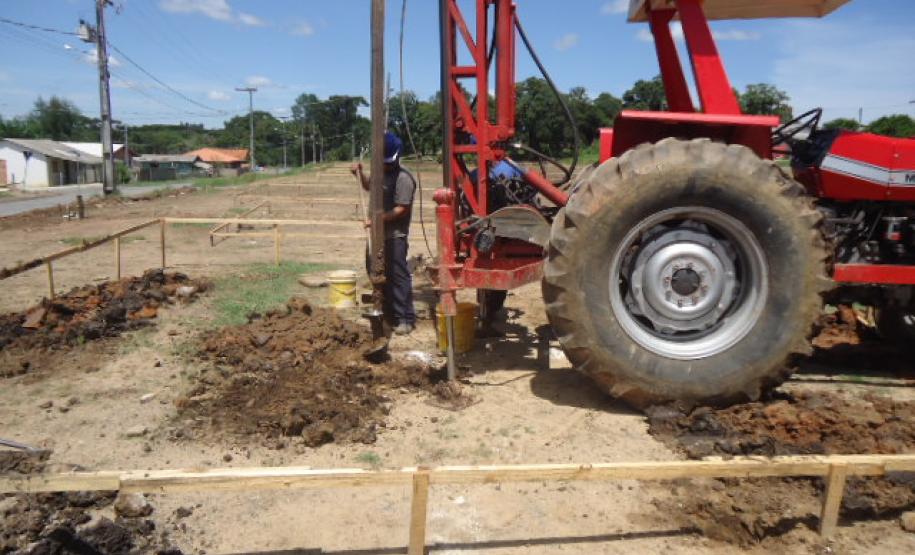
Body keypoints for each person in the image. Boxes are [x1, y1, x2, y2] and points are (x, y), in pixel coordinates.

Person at [352, 132, 417, 335]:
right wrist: (359, 175)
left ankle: (405, 318)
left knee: (398, 276)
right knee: (379, 275)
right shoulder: (381, 172)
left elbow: (401, 209)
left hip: (395, 235)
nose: (385, 165)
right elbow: (368, 186)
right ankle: (388, 314)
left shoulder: (404, 178)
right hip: (378, 234)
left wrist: (378, 219)